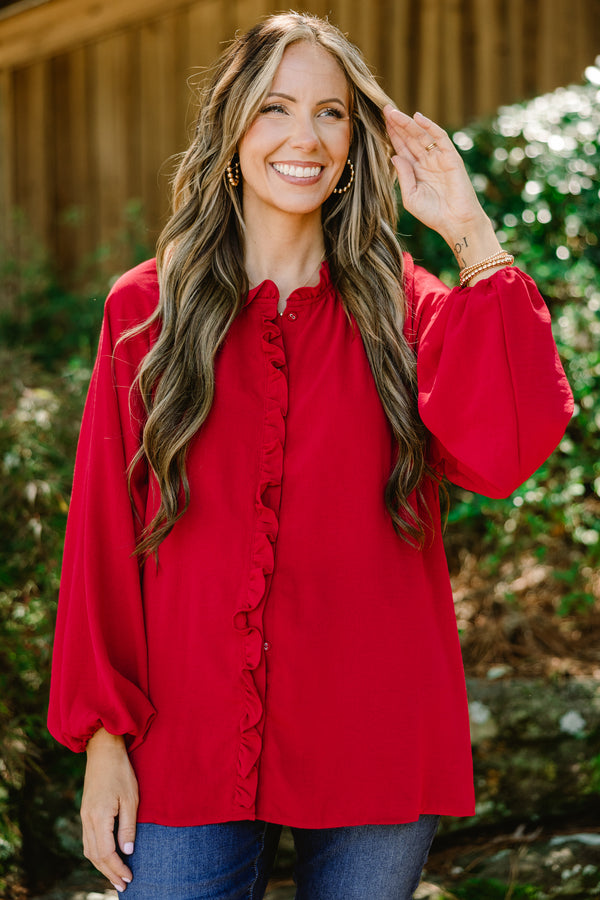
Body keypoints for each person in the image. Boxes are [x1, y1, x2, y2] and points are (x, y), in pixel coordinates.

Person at [48, 11, 573, 899]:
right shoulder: (145, 310)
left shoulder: (408, 307)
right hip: (189, 730)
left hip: (375, 724)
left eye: (332, 113)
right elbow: (104, 529)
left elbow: (504, 451)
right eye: (276, 108)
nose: (305, 137)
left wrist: (473, 234)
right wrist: (105, 738)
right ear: (233, 129)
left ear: (356, 139)